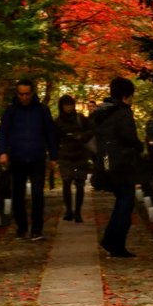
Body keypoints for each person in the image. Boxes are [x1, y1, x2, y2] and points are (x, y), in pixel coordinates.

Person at [0, 78, 58, 241]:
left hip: (37, 156)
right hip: (17, 157)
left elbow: (50, 133)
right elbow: (3, 132)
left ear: (32, 93)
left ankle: (36, 229)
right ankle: (21, 227)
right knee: (18, 194)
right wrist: (2, 152)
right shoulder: (11, 111)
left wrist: (53, 156)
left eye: (27, 94)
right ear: (17, 94)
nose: (24, 97)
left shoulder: (42, 110)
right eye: (21, 94)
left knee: (38, 194)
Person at [92, 76, 142, 258]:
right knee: (125, 202)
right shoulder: (123, 113)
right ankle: (114, 242)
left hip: (106, 163)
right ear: (125, 96)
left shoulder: (103, 112)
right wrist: (140, 146)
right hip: (122, 164)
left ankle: (112, 240)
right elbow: (128, 137)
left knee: (122, 201)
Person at [55, 93, 93, 223]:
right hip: (65, 156)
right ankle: (68, 211)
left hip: (80, 155)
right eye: (66, 105)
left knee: (80, 184)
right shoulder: (58, 122)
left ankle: (77, 212)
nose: (68, 108)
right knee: (66, 182)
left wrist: (82, 137)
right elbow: (54, 139)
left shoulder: (80, 118)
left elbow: (92, 130)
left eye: (70, 105)